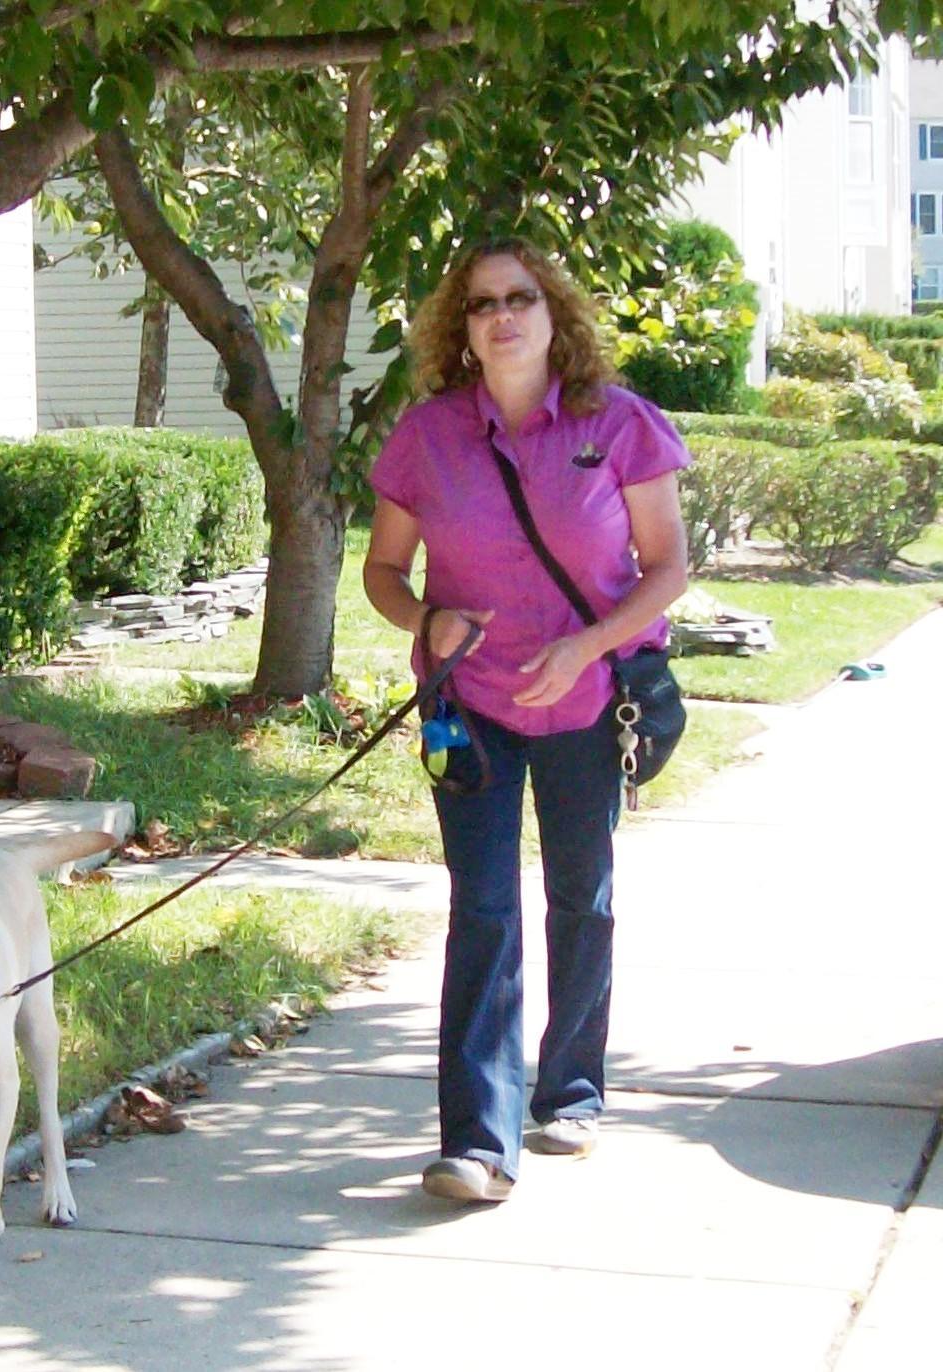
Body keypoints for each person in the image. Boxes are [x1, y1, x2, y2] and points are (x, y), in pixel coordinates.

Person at [363, 236, 690, 1203]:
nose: (501, 317)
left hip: (591, 701)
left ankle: (573, 1092)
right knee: (485, 906)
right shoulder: (427, 435)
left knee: (581, 895)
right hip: (471, 708)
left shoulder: (621, 427)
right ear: (459, 328)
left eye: (519, 299)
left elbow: (667, 566)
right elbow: (383, 573)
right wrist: (427, 617)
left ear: (556, 317)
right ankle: (477, 1139)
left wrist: (587, 648)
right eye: (480, 304)